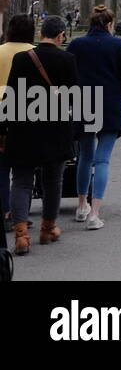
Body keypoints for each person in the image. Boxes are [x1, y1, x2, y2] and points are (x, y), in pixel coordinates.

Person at [2, 16, 79, 256]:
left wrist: (3, 129)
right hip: (55, 130)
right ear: (61, 36)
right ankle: (48, 228)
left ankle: (22, 235)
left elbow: (11, 96)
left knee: (22, 181)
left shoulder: (22, 59)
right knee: (52, 180)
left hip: (24, 129)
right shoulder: (67, 59)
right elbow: (74, 98)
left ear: (41, 33)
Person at [65, 5, 121, 231]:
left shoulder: (76, 44)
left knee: (85, 157)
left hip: (85, 102)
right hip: (109, 104)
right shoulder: (118, 44)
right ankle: (95, 213)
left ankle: (81, 206)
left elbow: (67, 74)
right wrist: (119, 95)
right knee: (102, 159)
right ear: (109, 24)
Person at [0, 13, 37, 230]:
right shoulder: (35, 54)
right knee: (25, 169)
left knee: (2, 167)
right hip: (28, 115)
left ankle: (4, 209)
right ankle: (20, 212)